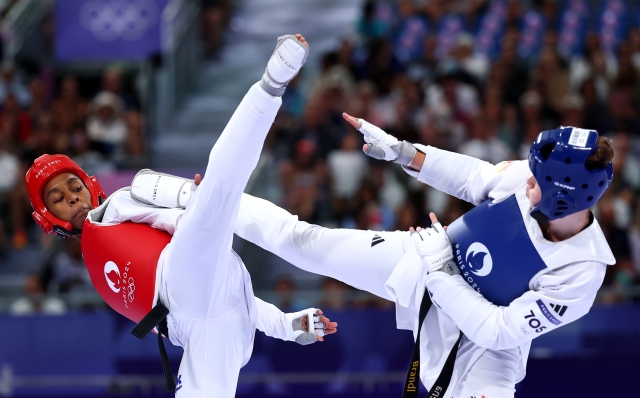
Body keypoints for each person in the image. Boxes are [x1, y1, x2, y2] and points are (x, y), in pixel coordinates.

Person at [24, 34, 337, 397]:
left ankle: (272, 83)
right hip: (204, 330)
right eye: (59, 198)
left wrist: (198, 205)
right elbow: (221, 300)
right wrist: (288, 324)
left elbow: (195, 255)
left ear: (89, 183)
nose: (72, 197)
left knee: (220, 185)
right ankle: (219, 204)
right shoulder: (96, 270)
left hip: (186, 262)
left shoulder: (122, 202)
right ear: (49, 218)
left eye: (73, 186)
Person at [231, 115, 615, 397]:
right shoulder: (528, 181)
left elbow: (496, 330)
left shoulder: (581, 271)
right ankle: (206, 200)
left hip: (481, 347)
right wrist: (404, 152)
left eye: (537, 178)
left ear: (564, 195)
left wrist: (444, 271)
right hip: (425, 262)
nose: (526, 177)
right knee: (305, 242)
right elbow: (473, 177)